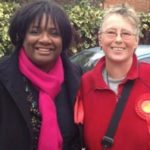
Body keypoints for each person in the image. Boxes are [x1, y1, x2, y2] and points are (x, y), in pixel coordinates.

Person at [0, 0, 82, 150]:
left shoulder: (77, 78)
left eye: (54, 33)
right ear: (21, 35)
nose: (44, 39)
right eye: (35, 31)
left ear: (63, 40)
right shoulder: (3, 75)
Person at [74, 4, 150, 150]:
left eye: (126, 34)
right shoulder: (86, 83)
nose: (118, 40)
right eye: (111, 32)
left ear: (136, 41)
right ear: (100, 39)